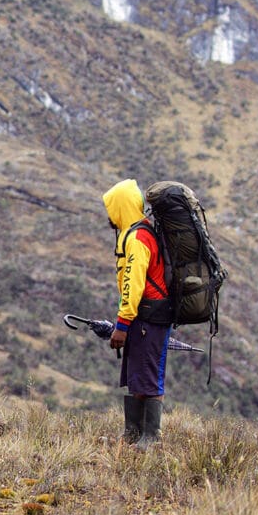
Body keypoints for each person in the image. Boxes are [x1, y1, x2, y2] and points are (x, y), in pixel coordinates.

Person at [103, 179, 171, 450]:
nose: (109, 215)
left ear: (121, 206)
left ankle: (150, 439)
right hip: (145, 317)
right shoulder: (137, 232)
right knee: (138, 377)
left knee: (149, 376)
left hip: (148, 317)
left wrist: (122, 324)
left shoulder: (137, 238)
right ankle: (133, 434)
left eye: (111, 208)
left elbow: (133, 284)